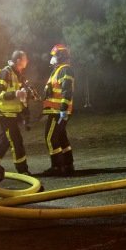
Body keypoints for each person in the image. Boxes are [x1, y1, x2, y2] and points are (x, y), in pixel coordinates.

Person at [0, 50, 31, 175]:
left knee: (5, 141)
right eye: (25, 58)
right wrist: (15, 94)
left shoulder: (18, 74)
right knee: (16, 140)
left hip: (12, 114)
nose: (27, 61)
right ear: (18, 61)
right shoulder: (5, 73)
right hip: (4, 114)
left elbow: (20, 96)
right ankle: (23, 171)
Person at [39, 43, 75, 176]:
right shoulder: (58, 70)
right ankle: (68, 164)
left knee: (51, 139)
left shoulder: (65, 70)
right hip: (56, 111)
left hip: (58, 112)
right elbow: (55, 91)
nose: (52, 58)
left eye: (54, 56)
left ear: (60, 56)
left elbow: (67, 90)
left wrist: (63, 109)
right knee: (61, 137)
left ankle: (57, 167)